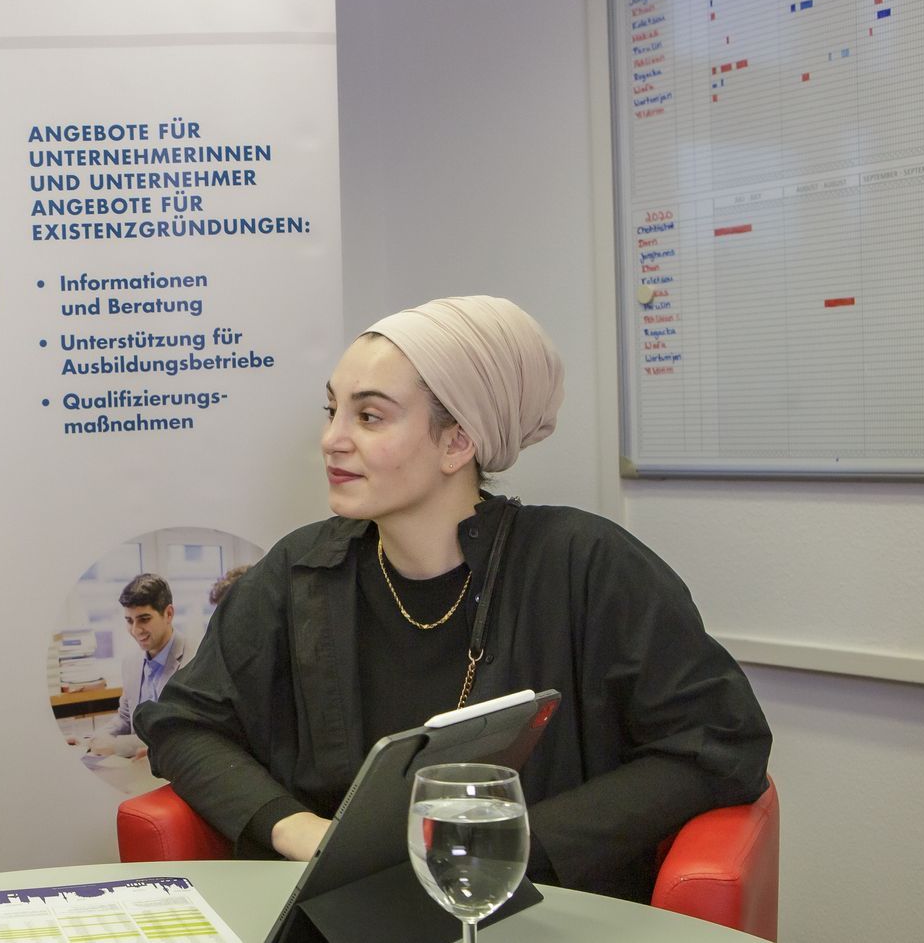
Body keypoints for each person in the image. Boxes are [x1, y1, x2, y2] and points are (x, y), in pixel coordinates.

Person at [137, 296, 770, 904]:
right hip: (343, 914)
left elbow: (718, 745)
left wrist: (516, 845)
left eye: (369, 416)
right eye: (331, 411)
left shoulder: (586, 564)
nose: (332, 439)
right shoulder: (301, 569)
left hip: (536, 912)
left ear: (457, 443)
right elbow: (183, 724)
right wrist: (300, 830)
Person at [89, 573, 189, 759]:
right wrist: (95, 739)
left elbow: (178, 733)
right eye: (129, 621)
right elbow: (125, 718)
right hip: (139, 767)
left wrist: (117, 746)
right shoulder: (130, 663)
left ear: (168, 614)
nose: (135, 630)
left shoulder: (195, 659)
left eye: (144, 619)